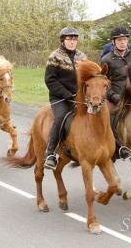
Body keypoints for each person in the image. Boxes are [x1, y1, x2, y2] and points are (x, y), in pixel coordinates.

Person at [43, 27, 87, 170]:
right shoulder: (55, 56)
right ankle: (50, 153)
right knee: (60, 117)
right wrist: (67, 94)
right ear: (62, 41)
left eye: (74, 39)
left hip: (80, 97)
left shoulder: (82, 57)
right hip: (60, 98)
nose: (72, 42)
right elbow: (50, 80)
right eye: (69, 39)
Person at [100, 26, 131, 161]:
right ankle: (119, 146)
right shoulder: (107, 59)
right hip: (115, 97)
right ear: (113, 42)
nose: (123, 42)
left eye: (124, 39)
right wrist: (113, 96)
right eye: (119, 40)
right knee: (110, 116)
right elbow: (103, 83)